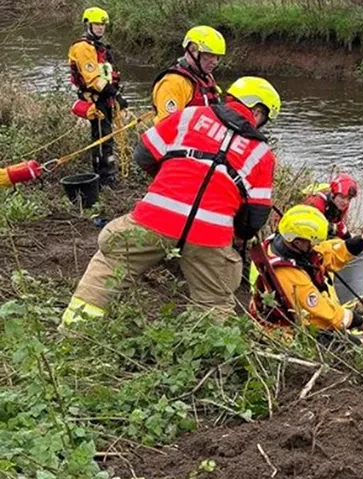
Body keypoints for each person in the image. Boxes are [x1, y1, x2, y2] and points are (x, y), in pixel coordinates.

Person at [61, 77, 281, 325]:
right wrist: (235, 233)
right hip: (209, 236)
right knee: (215, 303)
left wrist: (166, 179)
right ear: (257, 111)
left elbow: (144, 153)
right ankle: (209, 357)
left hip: (154, 219)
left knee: (110, 264)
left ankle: (75, 330)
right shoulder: (262, 154)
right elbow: (256, 217)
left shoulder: (191, 116)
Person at [249, 205, 363, 336]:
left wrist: (361, 240)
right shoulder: (288, 274)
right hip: (286, 331)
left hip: (291, 309)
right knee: (352, 346)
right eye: (313, 242)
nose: (315, 245)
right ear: (297, 242)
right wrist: (359, 321)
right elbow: (324, 315)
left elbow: (325, 254)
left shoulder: (283, 244)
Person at [68, 7, 126, 185]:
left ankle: (107, 174)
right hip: (96, 100)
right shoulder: (83, 48)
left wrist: (114, 94)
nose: (100, 28)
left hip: (105, 98)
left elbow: (107, 74)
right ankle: (103, 177)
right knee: (102, 138)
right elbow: (93, 79)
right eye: (97, 25)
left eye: (103, 25)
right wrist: (114, 94)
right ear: (88, 25)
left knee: (107, 137)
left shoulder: (98, 47)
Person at [151, 26, 226, 124]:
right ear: (193, 49)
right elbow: (168, 127)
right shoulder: (174, 82)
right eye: (210, 55)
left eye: (217, 57)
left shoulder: (206, 77)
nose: (215, 62)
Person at [304, 173, 358, 240]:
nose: (345, 202)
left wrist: (349, 239)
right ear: (333, 194)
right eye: (342, 197)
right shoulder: (316, 203)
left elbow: (338, 223)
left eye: (349, 198)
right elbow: (309, 229)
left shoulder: (341, 206)